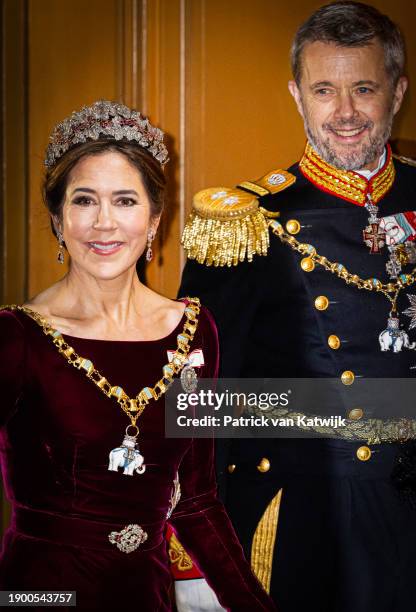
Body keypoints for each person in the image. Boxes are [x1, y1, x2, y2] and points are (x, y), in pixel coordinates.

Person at [179, 2, 416, 611]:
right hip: (313, 517)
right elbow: (206, 398)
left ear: (397, 92)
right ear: (297, 95)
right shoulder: (248, 223)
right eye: (323, 90)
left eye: (364, 88)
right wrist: (195, 560)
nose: (344, 113)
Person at [0, 100, 276, 611]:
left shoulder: (193, 331)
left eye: (125, 201)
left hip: (147, 594)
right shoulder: (16, 337)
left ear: (154, 221)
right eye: (84, 201)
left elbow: (196, 500)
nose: (104, 223)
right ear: (58, 219)